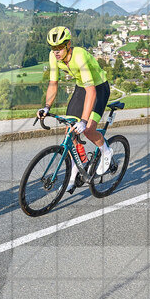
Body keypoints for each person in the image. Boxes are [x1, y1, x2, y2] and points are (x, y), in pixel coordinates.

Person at [39, 26, 114, 193]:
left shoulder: (79, 56)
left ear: (68, 45)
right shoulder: (54, 57)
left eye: (59, 47)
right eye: (53, 48)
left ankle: (106, 150)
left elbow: (92, 91)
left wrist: (84, 120)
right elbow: (53, 83)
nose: (56, 52)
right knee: (69, 131)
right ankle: (75, 168)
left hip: (98, 87)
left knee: (87, 129)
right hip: (81, 87)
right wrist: (46, 107)